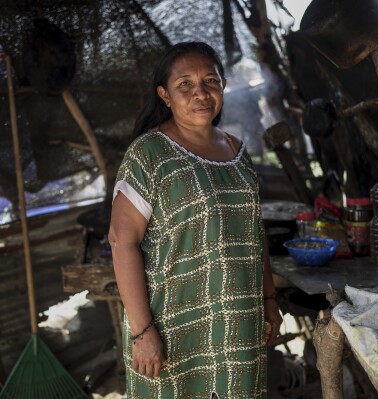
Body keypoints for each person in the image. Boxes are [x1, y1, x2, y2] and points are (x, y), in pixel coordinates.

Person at [108, 41, 282, 399]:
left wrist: (268, 300)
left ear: (222, 87)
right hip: (171, 326)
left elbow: (254, 234)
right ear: (165, 95)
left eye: (210, 81)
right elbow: (121, 241)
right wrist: (143, 332)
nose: (200, 93)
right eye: (184, 84)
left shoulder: (236, 150)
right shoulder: (148, 154)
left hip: (238, 322)